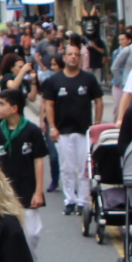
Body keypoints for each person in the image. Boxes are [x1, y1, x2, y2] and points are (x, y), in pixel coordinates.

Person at [39, 44, 101, 217]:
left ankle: (83, 201)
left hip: (83, 131)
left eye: (76, 54)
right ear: (64, 58)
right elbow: (49, 105)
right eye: (70, 54)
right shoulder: (54, 80)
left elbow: (98, 101)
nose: (73, 57)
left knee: (84, 168)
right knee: (67, 168)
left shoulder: (88, 78)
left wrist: (96, 124)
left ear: (80, 58)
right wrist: (52, 127)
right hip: (63, 131)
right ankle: (70, 200)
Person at [0, 87, 49, 252]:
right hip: (3, 194)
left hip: (26, 191)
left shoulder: (32, 132)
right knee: (4, 236)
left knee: (31, 234)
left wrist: (38, 192)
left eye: (2, 104)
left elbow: (38, 161)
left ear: (14, 108)